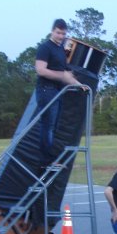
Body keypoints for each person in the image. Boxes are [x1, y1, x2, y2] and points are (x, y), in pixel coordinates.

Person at [35, 18, 86, 165]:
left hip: (58, 90)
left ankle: (50, 159)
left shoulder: (60, 49)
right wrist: (62, 76)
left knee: (54, 127)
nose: (60, 36)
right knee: (47, 126)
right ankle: (46, 161)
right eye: (58, 33)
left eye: (63, 34)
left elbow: (64, 73)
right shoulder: (45, 47)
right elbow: (40, 70)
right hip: (46, 90)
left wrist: (78, 84)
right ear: (52, 31)